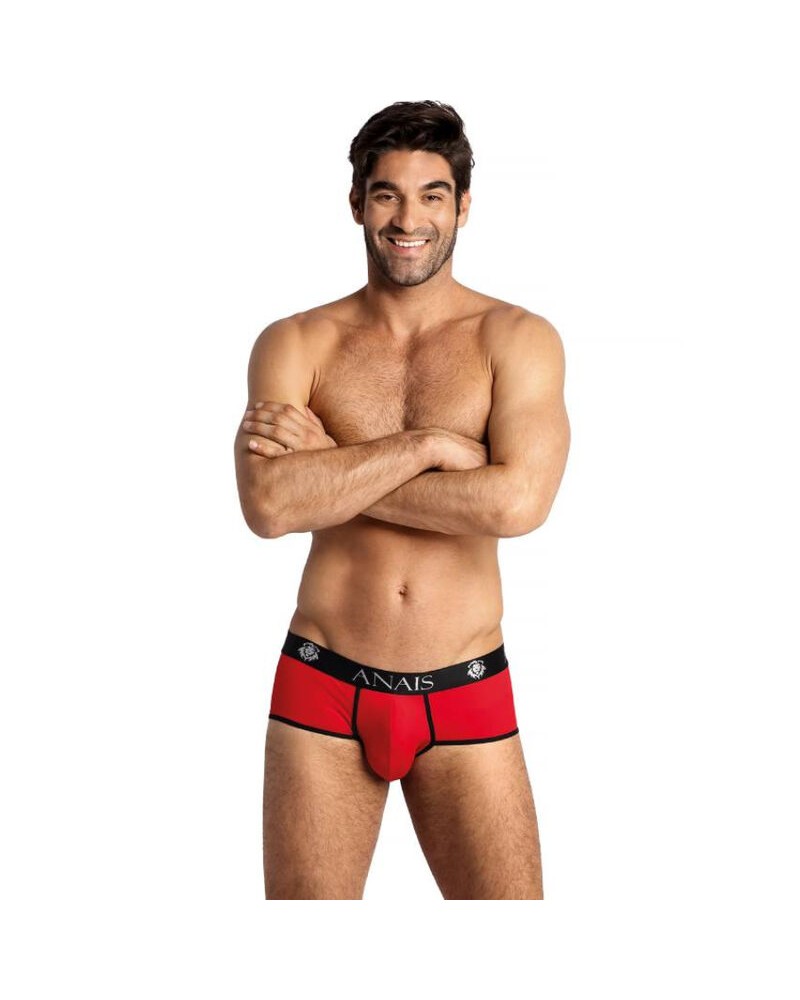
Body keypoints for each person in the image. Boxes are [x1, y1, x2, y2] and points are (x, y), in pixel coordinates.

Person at [233, 100, 570, 899]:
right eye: (386, 194)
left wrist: (334, 473)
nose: (408, 220)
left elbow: (517, 503)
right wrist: (424, 447)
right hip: (322, 685)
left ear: (463, 205)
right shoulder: (297, 341)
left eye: (432, 195)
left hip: (464, 685)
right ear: (357, 203)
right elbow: (271, 506)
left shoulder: (516, 338)